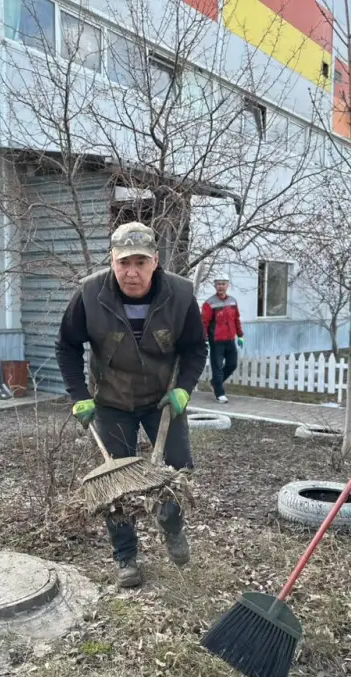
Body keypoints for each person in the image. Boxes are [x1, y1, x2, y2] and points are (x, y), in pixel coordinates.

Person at [55, 221, 208, 588]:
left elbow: (194, 349)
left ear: (155, 261)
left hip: (163, 401)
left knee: (173, 474)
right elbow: (66, 347)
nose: (131, 272)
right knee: (116, 484)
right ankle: (126, 557)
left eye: (140, 262)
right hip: (112, 402)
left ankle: (172, 528)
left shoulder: (181, 295)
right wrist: (80, 397)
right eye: (123, 262)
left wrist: (184, 389)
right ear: (112, 260)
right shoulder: (90, 294)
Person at [201, 277, 244, 403]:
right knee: (217, 367)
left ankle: (215, 383)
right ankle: (220, 393)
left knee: (232, 364)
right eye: (218, 284)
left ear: (227, 285)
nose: (221, 286)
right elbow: (204, 323)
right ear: (215, 286)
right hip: (216, 341)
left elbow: (236, 319)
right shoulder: (209, 303)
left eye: (223, 284)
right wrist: (205, 339)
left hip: (230, 339)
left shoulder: (233, 301)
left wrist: (240, 335)